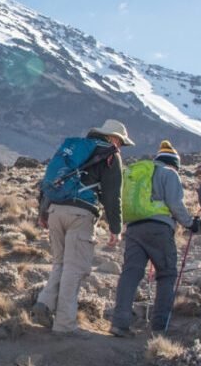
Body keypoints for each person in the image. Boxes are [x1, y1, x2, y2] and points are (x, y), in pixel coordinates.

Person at [31, 119, 130, 334]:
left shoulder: (74, 150)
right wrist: (116, 228)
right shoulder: (110, 155)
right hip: (81, 213)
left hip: (55, 211)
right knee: (74, 269)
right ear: (113, 138)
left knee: (60, 263)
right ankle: (65, 324)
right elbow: (113, 196)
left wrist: (43, 212)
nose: (120, 146)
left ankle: (44, 303)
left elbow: (51, 180)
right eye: (120, 141)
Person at [108, 141, 201, 336]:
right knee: (167, 274)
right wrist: (190, 223)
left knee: (131, 273)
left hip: (134, 228)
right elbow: (175, 204)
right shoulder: (169, 173)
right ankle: (160, 326)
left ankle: (119, 322)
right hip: (159, 228)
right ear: (174, 163)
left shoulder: (141, 174)